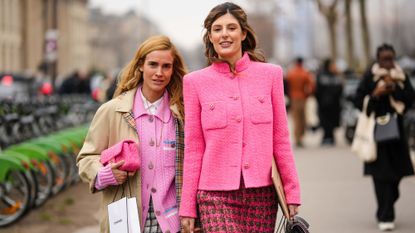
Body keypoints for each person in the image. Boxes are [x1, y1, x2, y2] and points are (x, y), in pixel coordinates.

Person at [179, 2, 301, 233]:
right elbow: (194, 148)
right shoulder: (195, 82)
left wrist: (291, 191)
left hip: (261, 193)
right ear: (211, 37)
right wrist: (188, 207)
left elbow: (281, 140)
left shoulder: (271, 75)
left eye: (231, 28)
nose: (224, 34)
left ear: (243, 33)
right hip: (214, 194)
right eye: (217, 29)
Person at [76, 35, 187, 233]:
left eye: (166, 66)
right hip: (126, 222)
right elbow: (86, 158)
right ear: (141, 66)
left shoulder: (182, 114)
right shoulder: (112, 111)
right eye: (153, 64)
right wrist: (103, 175)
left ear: (173, 69)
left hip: (172, 223)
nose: (159, 73)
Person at [354, 43, 414, 231]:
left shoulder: (401, 76)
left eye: (391, 58)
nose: (388, 63)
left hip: (397, 133)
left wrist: (394, 89)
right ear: (378, 59)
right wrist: (376, 94)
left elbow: (410, 99)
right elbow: (358, 101)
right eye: (384, 59)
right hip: (376, 134)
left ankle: (389, 204)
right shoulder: (369, 77)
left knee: (396, 175)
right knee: (380, 177)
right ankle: (385, 215)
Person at [286, 57, 315, 147]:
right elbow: (311, 86)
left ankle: (297, 138)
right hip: (303, 98)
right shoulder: (305, 73)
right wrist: (307, 94)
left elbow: (286, 85)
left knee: (296, 119)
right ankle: (301, 137)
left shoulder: (291, 73)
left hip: (293, 98)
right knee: (303, 119)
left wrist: (289, 95)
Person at [315, 58, 344, 146]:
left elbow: (340, 88)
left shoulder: (336, 75)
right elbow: (318, 90)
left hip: (334, 104)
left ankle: (330, 137)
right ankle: (327, 137)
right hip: (324, 104)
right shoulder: (321, 75)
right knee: (325, 121)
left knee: (332, 121)